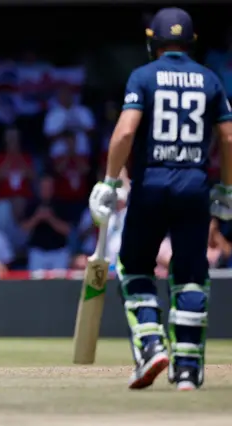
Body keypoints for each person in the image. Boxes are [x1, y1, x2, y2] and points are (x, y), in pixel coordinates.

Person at [89, 8, 232, 391]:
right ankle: (186, 368)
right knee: (190, 277)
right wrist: (227, 188)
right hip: (194, 185)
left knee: (135, 267)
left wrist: (109, 182)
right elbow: (229, 138)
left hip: (151, 182)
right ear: (191, 42)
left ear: (152, 41)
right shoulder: (210, 79)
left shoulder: (143, 76)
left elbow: (124, 134)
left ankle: (152, 345)